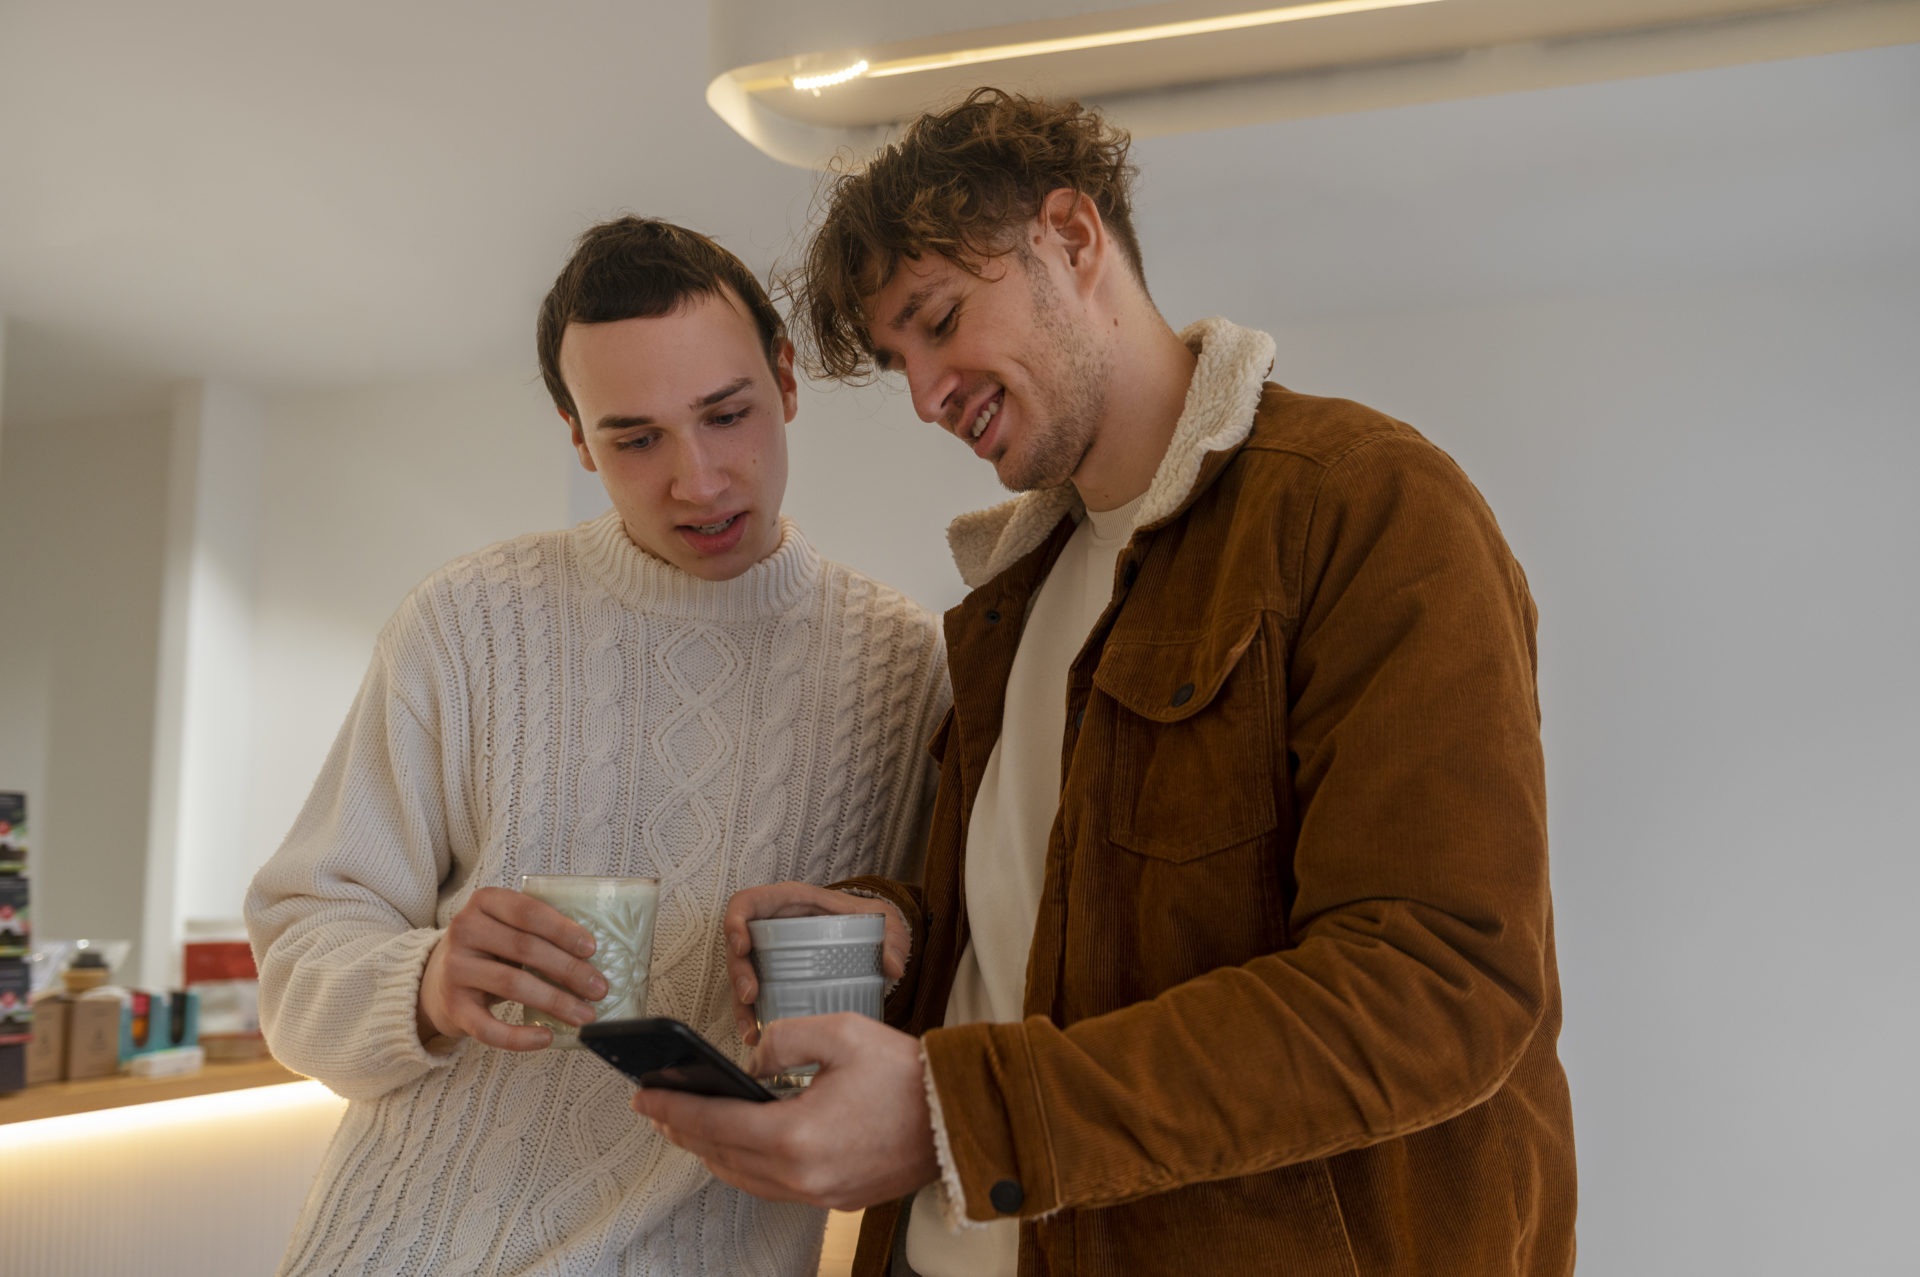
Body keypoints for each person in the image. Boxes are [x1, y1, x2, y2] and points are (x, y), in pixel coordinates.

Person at [631, 90, 1578, 1276]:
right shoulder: (1014, 595)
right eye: (898, 359)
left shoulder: (1364, 506)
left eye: (940, 320)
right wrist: (899, 933)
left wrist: (956, 1109)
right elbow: (1056, 929)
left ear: (1073, 238)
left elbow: (1440, 986)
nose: (925, 394)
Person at [244, 217, 950, 1277]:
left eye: (726, 415)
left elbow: (958, 975)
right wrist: (427, 981)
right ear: (578, 438)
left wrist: (887, 934)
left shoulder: (905, 666)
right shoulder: (469, 622)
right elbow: (300, 954)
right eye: (636, 439)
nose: (697, 479)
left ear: (787, 381)